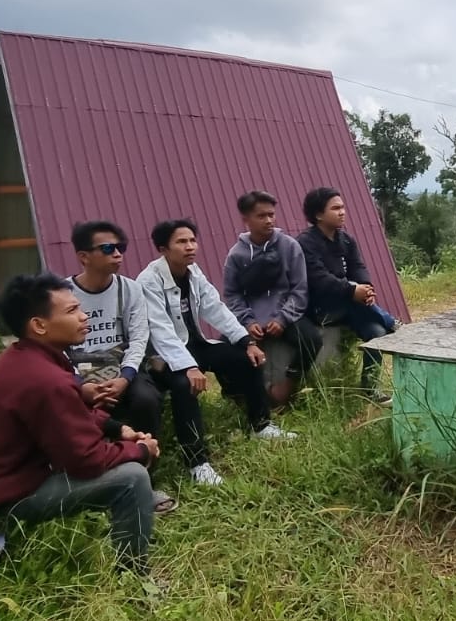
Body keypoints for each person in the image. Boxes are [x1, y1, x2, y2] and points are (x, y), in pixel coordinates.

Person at [0, 273, 168, 572]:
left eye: (80, 308)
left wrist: (117, 429)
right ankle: (134, 575)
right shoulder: (45, 379)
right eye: (71, 311)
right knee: (132, 477)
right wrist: (141, 450)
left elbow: (70, 414)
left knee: (120, 463)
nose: (83, 316)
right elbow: (86, 460)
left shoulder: (26, 359)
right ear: (38, 325)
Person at [136, 219, 292, 488]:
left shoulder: (193, 272)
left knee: (247, 359)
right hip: (162, 356)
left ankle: (262, 425)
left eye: (192, 240)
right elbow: (160, 331)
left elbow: (216, 309)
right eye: (181, 242)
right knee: (186, 386)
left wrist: (246, 342)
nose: (190, 247)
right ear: (163, 248)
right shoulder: (148, 281)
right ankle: (197, 463)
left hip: (194, 344)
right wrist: (188, 367)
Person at [63, 221, 164, 435]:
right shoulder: (61, 293)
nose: (117, 254)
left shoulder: (130, 289)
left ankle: (145, 453)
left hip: (122, 366)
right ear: (83, 257)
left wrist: (125, 378)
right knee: (64, 405)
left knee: (146, 399)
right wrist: (80, 385)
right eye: (108, 248)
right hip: (77, 370)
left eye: (121, 248)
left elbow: (138, 339)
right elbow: (57, 347)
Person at [223, 190, 323, 406]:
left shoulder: (289, 246)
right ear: (246, 219)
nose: (268, 220)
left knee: (312, 340)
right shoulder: (236, 255)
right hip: (252, 321)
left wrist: (283, 318)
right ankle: (241, 400)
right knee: (223, 348)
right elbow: (232, 294)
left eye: (271, 214)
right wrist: (248, 321)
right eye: (261, 216)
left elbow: (299, 288)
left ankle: (286, 389)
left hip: (284, 317)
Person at [297, 187, 394, 403]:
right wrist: (353, 291)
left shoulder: (346, 240)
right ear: (318, 214)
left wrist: (366, 289)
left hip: (350, 305)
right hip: (320, 308)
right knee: (373, 316)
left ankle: (369, 390)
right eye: (335, 208)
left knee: (376, 333)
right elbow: (318, 279)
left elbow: (358, 268)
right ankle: (391, 321)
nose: (342, 212)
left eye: (342, 207)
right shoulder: (306, 243)